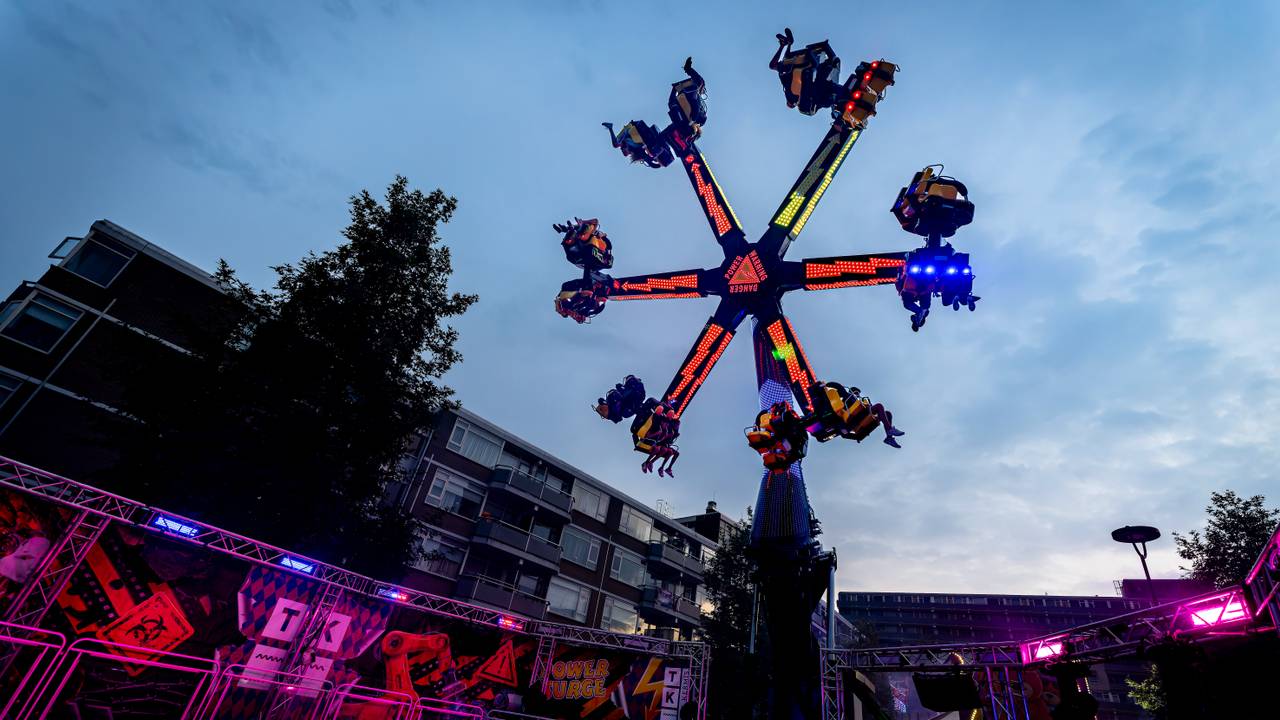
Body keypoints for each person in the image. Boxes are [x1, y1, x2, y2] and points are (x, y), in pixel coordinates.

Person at [667, 56, 707, 137]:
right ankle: (688, 69)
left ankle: (687, 68)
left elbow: (696, 108)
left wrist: (674, 89)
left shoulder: (698, 120)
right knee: (699, 84)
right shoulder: (698, 121)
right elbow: (671, 104)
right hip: (685, 98)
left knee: (701, 83)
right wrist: (674, 89)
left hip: (688, 98)